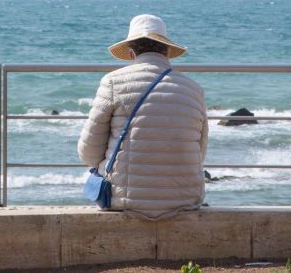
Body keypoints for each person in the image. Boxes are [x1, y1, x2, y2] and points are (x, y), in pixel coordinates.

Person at [77, 14, 208, 219]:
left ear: (130, 53)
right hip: (184, 200)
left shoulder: (113, 82)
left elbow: (88, 152)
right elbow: (200, 151)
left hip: (125, 201)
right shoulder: (193, 89)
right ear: (167, 51)